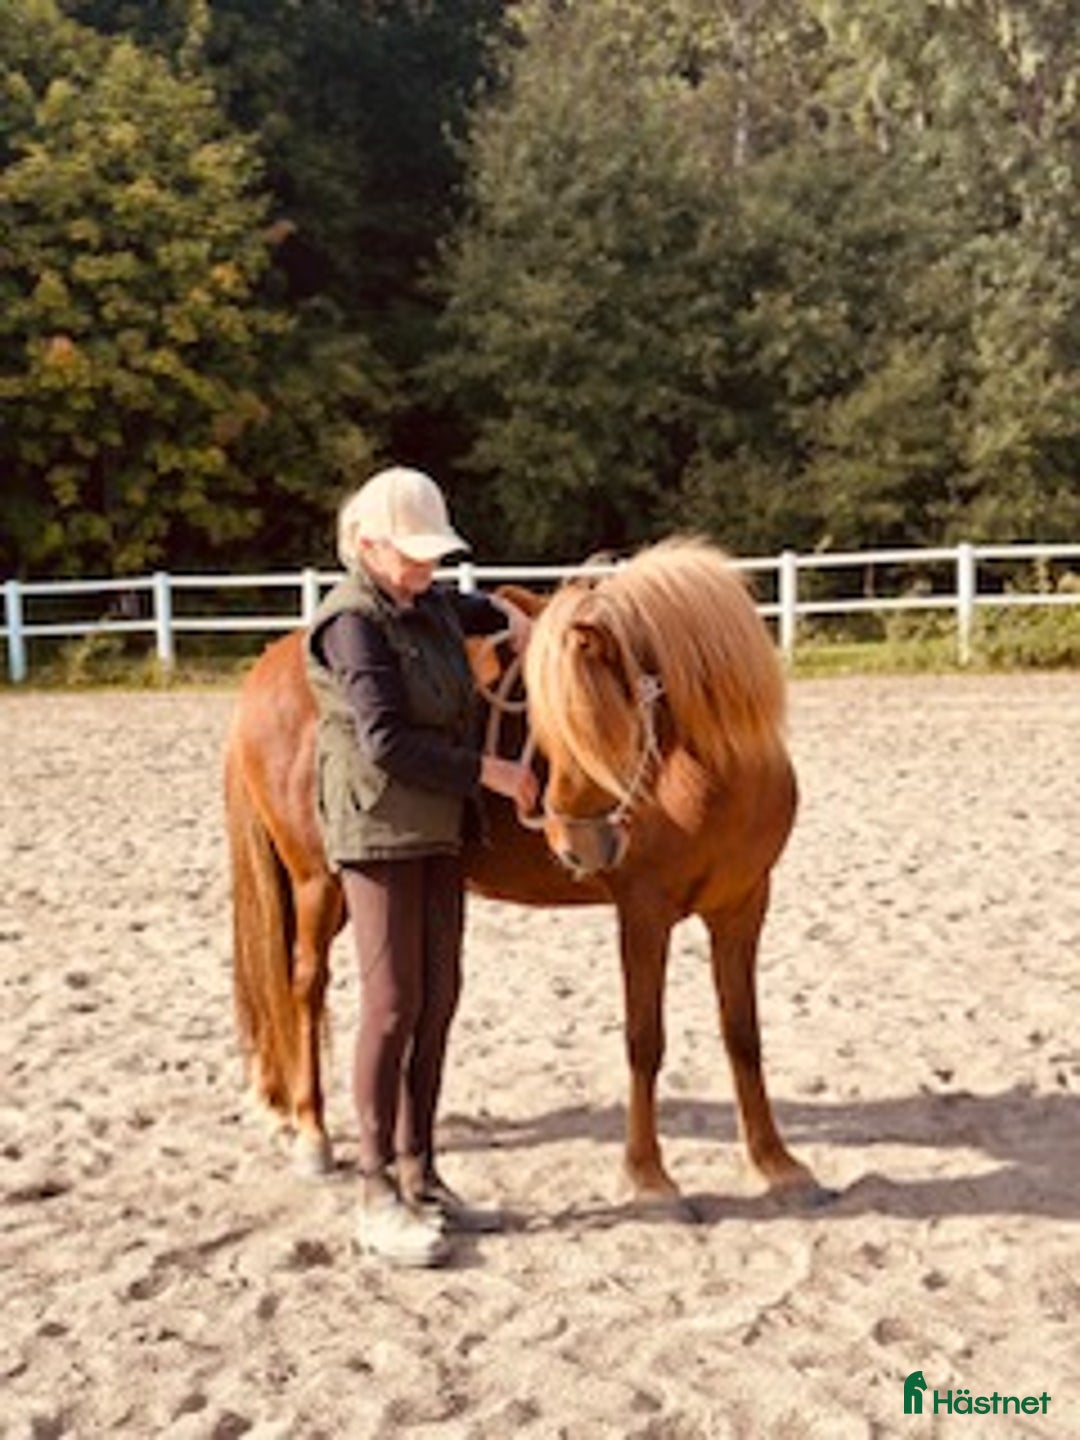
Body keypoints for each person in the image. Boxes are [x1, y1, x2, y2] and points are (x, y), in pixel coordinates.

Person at [305, 465, 537, 1268]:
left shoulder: (430, 600)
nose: (427, 567)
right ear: (367, 545)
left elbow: (484, 607)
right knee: (393, 1003)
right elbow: (386, 741)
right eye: (412, 554)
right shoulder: (351, 623)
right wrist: (493, 772)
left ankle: (423, 1173)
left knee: (439, 998)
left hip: (439, 827)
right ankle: (374, 1189)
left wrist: (517, 617)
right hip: (376, 827)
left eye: (433, 555)